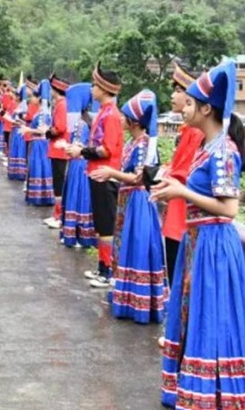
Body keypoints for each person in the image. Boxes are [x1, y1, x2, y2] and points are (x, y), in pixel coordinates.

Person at [151, 59, 245, 410]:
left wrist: (181, 191)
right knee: (198, 315)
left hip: (215, 242)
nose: (183, 108)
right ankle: (201, 397)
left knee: (214, 318)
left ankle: (216, 405)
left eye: (190, 103)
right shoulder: (206, 146)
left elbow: (229, 209)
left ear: (206, 109)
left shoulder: (223, 151)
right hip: (199, 241)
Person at [91, 89, 166, 323]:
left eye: (124, 117)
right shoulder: (133, 143)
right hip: (128, 200)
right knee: (127, 246)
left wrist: (111, 173)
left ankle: (140, 304)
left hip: (138, 202)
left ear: (134, 121)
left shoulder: (143, 144)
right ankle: (128, 299)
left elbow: (138, 177)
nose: (121, 120)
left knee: (137, 247)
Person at [71, 64, 124, 287]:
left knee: (105, 224)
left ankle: (106, 271)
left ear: (103, 88)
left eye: (94, 85)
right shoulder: (103, 112)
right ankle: (102, 267)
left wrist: (81, 151)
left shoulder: (110, 115)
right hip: (96, 173)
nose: (92, 89)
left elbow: (107, 149)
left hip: (105, 175)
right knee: (102, 224)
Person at [162, 62, 206, 282]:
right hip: (176, 212)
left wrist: (163, 175)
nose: (173, 95)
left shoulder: (197, 133)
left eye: (179, 91)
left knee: (180, 279)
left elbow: (184, 173)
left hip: (183, 216)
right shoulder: (188, 130)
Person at [59, 83, 97, 250]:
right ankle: (85, 235)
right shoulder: (91, 121)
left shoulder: (80, 124)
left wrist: (65, 147)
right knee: (84, 197)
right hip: (85, 162)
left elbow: (76, 145)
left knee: (76, 196)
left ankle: (73, 234)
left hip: (78, 163)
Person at [44, 75, 72, 229]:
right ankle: (57, 214)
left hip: (59, 149)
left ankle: (58, 215)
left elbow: (59, 128)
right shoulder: (61, 104)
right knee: (58, 182)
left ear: (56, 90)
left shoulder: (61, 105)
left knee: (59, 183)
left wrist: (47, 132)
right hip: (57, 148)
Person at [21, 81, 55, 206]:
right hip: (37, 143)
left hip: (40, 144)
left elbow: (43, 130)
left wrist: (28, 130)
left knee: (40, 167)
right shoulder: (41, 111)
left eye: (33, 97)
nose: (31, 99)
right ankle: (39, 194)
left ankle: (41, 195)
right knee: (38, 167)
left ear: (39, 98)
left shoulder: (43, 113)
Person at [5, 84, 30, 181]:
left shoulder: (23, 107)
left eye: (16, 95)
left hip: (20, 131)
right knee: (15, 149)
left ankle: (20, 172)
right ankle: (15, 171)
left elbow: (21, 120)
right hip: (15, 130)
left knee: (20, 150)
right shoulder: (18, 105)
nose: (14, 96)